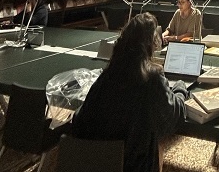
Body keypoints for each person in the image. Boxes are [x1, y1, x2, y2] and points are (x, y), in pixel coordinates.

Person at [72, 12, 188, 172]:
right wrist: (180, 88)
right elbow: (174, 116)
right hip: (133, 164)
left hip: (95, 160)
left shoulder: (108, 74)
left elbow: (81, 118)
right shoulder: (152, 77)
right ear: (152, 44)